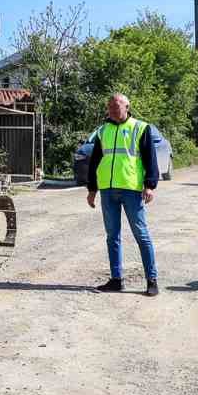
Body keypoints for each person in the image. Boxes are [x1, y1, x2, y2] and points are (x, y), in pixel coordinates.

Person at [85, 93, 161, 296]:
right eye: (109, 105)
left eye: (116, 105)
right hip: (108, 190)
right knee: (112, 237)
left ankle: (151, 280)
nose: (112, 108)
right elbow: (94, 162)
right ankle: (116, 279)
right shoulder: (103, 131)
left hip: (131, 189)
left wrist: (150, 185)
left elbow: (150, 159)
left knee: (141, 235)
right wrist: (92, 189)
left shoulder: (140, 127)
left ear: (127, 106)